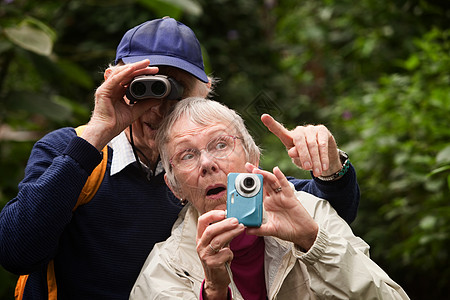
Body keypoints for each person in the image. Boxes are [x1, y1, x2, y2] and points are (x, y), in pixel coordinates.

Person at [0, 18, 359, 299]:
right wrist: (96, 133)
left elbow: (312, 213)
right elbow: (17, 252)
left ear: (204, 94)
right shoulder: (73, 151)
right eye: (141, 89)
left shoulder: (208, 169)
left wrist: (329, 169)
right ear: (114, 84)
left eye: (176, 91)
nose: (157, 108)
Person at [129, 97, 409, 300]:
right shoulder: (167, 267)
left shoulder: (310, 211)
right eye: (187, 155)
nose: (207, 163)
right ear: (175, 186)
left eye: (221, 144)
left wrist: (314, 241)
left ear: (253, 158)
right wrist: (214, 293)